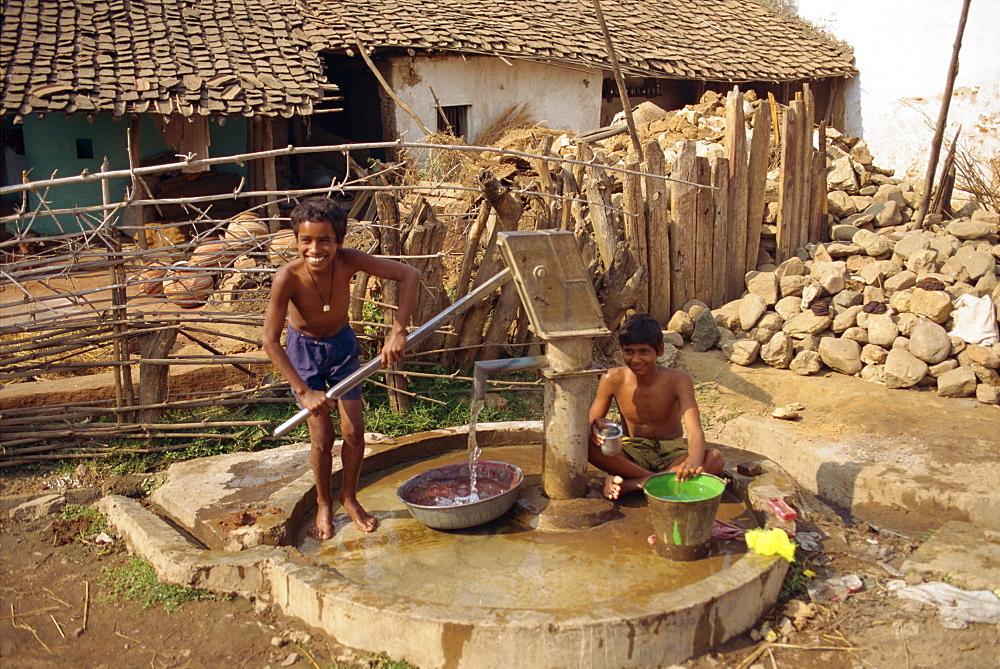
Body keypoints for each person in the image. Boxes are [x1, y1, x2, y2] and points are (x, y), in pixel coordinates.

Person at [263, 197, 420, 540]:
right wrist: (304, 391)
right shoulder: (287, 278)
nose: (315, 249)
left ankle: (347, 496)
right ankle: (322, 502)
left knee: (354, 430)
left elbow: (409, 275)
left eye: (324, 240)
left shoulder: (349, 261)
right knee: (322, 436)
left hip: (341, 347)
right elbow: (270, 341)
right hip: (303, 355)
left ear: (339, 241)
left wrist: (398, 329)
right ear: (297, 241)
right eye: (306, 240)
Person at [588, 313, 725, 500]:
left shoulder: (679, 380)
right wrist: (597, 428)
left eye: (644, 351)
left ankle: (634, 484)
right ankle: (659, 482)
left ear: (659, 350)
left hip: (672, 452)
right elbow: (591, 424)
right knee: (587, 445)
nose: (636, 360)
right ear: (621, 350)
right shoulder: (612, 378)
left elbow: (694, 430)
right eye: (629, 351)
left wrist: (693, 460)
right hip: (631, 451)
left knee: (715, 459)